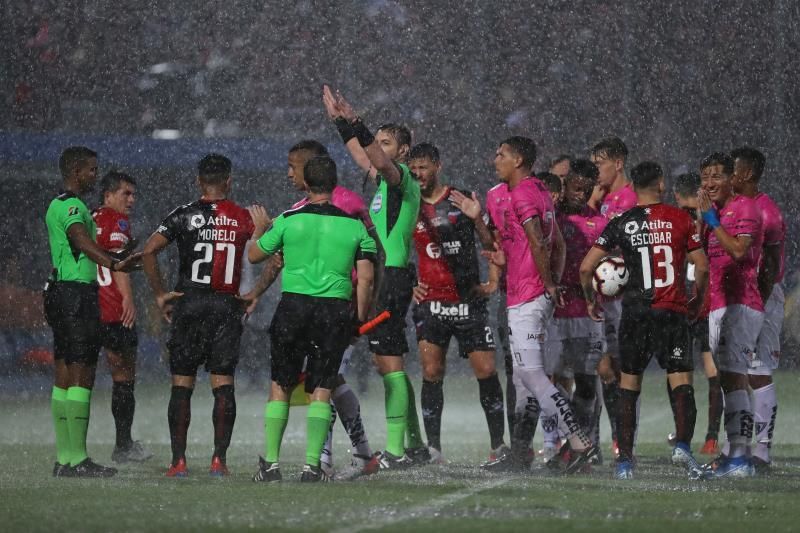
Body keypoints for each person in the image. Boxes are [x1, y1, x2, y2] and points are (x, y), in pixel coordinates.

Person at [241, 139, 379, 478]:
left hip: (293, 309)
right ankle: (312, 466)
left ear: (308, 178)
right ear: (333, 183)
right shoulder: (354, 226)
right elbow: (366, 278)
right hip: (333, 312)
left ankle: (271, 465)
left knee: (281, 386)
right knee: (322, 387)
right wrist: (360, 316)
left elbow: (256, 255)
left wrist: (259, 231)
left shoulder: (290, 219)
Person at [580, 161, 709, 480]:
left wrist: (590, 299)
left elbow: (586, 268)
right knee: (681, 381)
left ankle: (624, 461)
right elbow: (702, 267)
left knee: (629, 384)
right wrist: (697, 299)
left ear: (634, 187)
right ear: (661, 184)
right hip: (672, 311)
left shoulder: (621, 221)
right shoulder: (680, 218)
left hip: (636, 313)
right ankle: (682, 447)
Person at [323, 85, 428, 468]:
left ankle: (397, 452)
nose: (377, 148)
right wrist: (340, 125)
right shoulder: (385, 181)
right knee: (389, 361)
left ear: (402, 151)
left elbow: (377, 160)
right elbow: (360, 155)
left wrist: (357, 121)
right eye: (377, 141)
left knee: (389, 363)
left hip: (393, 276)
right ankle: (413, 445)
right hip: (390, 275)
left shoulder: (399, 176)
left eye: (386, 142)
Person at [141, 154, 265, 477]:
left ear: (198, 181)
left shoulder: (183, 215)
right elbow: (274, 255)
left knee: (181, 384)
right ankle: (218, 461)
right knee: (223, 384)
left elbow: (149, 250)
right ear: (229, 181)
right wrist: (256, 293)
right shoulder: (243, 217)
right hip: (226, 306)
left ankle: (178, 462)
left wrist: (159, 294)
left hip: (189, 304)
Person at [482, 136, 596, 473]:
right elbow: (557, 242)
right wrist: (552, 284)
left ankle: (579, 441)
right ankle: (520, 456)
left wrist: (546, 283)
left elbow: (538, 242)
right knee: (521, 377)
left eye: (501, 154)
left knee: (531, 374)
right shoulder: (541, 191)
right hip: (533, 294)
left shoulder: (520, 194)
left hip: (526, 296)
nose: (495, 159)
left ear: (518, 160)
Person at [407, 142, 506, 463]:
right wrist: (409, 284)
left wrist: (477, 220)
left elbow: (492, 243)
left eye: (424, 167)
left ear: (437, 166)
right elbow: (388, 248)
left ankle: (498, 446)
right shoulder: (407, 204)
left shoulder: (458, 199)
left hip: (467, 301)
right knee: (432, 371)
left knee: (487, 370)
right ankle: (433, 448)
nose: (418, 174)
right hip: (431, 302)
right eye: (414, 168)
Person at [45, 146, 141, 478]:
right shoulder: (72, 206)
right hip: (76, 294)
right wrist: (114, 261)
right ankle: (78, 459)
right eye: (91, 170)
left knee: (63, 375)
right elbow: (80, 240)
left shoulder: (57, 203)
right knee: (82, 374)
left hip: (58, 291)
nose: (94, 176)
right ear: (76, 171)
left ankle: (65, 459)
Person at [698, 152, 764, 478]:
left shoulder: (746, 208)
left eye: (716, 176)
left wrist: (713, 223)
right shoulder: (716, 211)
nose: (709, 183)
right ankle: (733, 453)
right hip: (719, 304)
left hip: (741, 304)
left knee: (736, 377)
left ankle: (741, 456)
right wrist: (704, 220)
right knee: (726, 379)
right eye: (705, 177)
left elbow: (739, 251)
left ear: (731, 179)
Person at [546, 160, 608, 461]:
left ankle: (582, 443)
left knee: (586, 381)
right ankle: (556, 441)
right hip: (554, 311)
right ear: (566, 184)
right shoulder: (550, 219)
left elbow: (611, 269)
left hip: (587, 312)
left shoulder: (601, 223)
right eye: (575, 187)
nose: (580, 194)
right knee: (548, 380)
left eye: (586, 189)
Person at [92, 171, 152, 463]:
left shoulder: (87, 218)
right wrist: (128, 297)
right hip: (114, 309)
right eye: (125, 193)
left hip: (89, 308)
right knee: (124, 378)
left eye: (134, 194)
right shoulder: (118, 222)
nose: (132, 199)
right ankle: (123, 445)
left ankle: (72, 449)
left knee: (80, 378)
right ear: (108, 195)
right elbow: (119, 261)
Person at [730, 146, 784, 472]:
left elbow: (772, 265)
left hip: (761, 298)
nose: (730, 177)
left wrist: (757, 306)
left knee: (758, 373)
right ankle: (736, 446)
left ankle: (762, 452)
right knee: (737, 373)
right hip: (741, 297)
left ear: (748, 174)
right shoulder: (738, 207)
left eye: (734, 171)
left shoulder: (767, 212)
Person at [589, 137, 636, 458]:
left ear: (617, 164)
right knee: (602, 367)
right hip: (598, 296)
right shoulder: (599, 197)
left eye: (599, 164)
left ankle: (624, 438)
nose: (596, 172)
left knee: (621, 369)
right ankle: (603, 438)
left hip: (625, 296)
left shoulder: (631, 198)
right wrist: (592, 202)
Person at [669, 172, 721, 456]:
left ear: (677, 195)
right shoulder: (710, 216)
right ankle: (711, 437)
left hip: (683, 302)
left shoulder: (675, 218)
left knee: (680, 373)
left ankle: (682, 437)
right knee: (712, 370)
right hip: (708, 301)